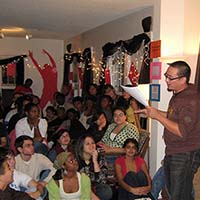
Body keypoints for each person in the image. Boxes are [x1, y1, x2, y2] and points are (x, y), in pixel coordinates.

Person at [135, 61, 200, 200]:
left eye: (170, 78)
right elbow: (173, 117)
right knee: (174, 193)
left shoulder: (190, 99)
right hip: (174, 150)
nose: (166, 80)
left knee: (178, 195)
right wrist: (153, 112)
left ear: (183, 79)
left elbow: (182, 130)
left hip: (185, 153)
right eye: (166, 75)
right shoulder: (179, 93)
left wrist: (157, 116)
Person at [75, 134, 113, 200]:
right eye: (87, 144)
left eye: (93, 143)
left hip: (95, 188)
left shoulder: (100, 158)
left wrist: (95, 161)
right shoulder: (76, 160)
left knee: (106, 190)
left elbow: (102, 181)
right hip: (80, 188)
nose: (91, 146)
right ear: (81, 146)